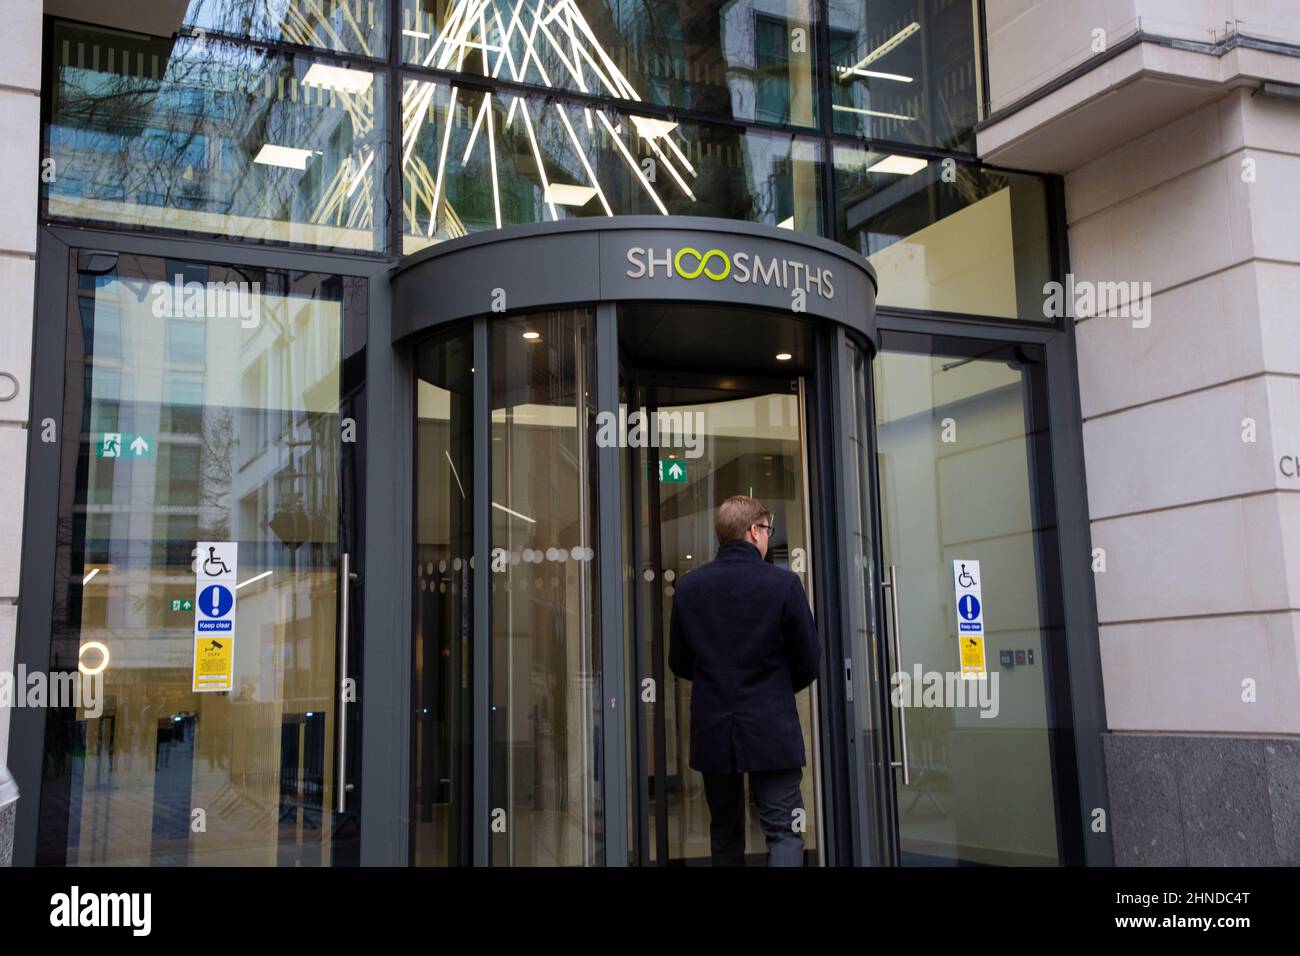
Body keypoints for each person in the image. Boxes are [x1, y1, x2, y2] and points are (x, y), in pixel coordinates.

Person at [668, 494, 821, 866]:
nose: (767, 537)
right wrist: (776, 689)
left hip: (714, 725)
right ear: (754, 531)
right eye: (767, 529)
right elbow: (810, 661)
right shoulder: (783, 585)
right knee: (783, 830)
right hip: (771, 723)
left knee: (725, 833)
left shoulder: (689, 588)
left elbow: (679, 661)